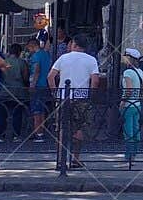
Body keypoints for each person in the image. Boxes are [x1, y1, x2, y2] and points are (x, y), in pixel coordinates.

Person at [48, 34, 100, 168]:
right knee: (80, 128)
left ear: (75, 45)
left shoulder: (63, 58)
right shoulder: (91, 60)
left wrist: (56, 93)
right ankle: (75, 158)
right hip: (81, 98)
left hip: (64, 98)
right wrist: (91, 95)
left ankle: (60, 160)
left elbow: (51, 77)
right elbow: (95, 80)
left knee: (62, 129)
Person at [0, 43, 28, 143]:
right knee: (17, 114)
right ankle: (16, 135)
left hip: (4, 90)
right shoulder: (22, 62)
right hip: (18, 91)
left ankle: (0, 134)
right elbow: (25, 77)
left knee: (2, 113)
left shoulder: (3, 61)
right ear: (19, 52)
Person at [119, 47, 143, 161]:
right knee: (136, 129)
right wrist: (141, 96)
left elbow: (129, 88)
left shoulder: (128, 72)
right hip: (137, 104)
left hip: (128, 105)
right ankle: (134, 153)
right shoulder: (139, 71)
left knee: (128, 131)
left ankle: (128, 156)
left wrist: (123, 101)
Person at [25, 37, 52, 142]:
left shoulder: (36, 56)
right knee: (42, 110)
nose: (29, 51)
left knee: (36, 111)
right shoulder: (46, 54)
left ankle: (38, 133)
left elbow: (36, 70)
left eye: (29, 48)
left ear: (32, 46)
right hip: (45, 85)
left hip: (38, 85)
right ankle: (41, 131)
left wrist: (32, 84)